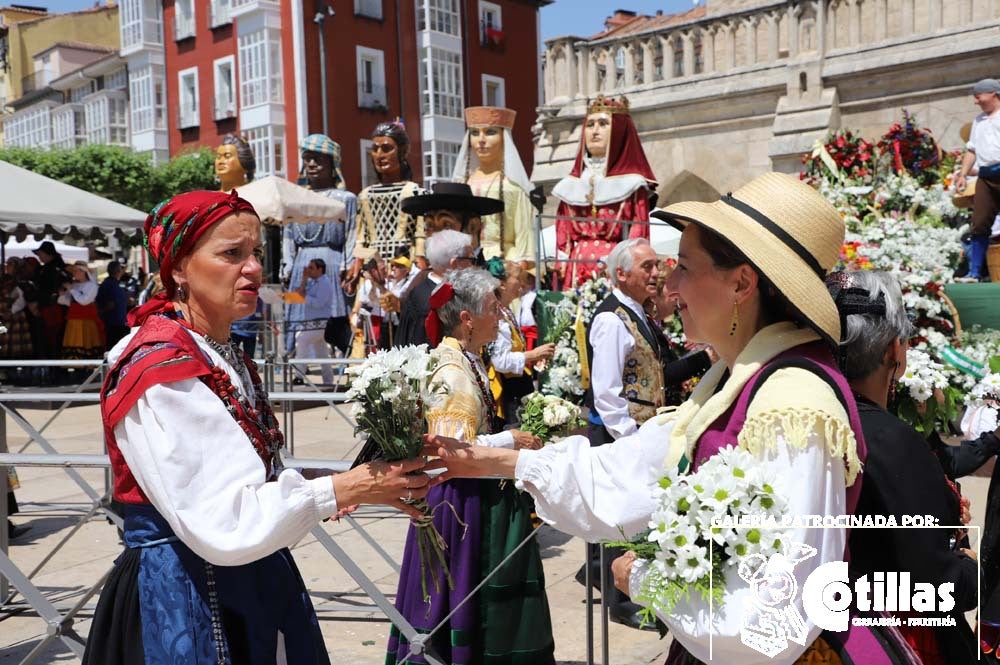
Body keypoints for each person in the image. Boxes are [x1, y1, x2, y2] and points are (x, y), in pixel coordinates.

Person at [423, 172, 921, 664]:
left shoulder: (792, 402)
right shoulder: (738, 377)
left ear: (742, 284)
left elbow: (773, 608)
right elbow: (633, 467)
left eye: (684, 267)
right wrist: (493, 460)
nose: (670, 284)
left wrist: (644, 578)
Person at [82, 189, 430, 665]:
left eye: (255, 254)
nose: (252, 269)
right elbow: (223, 521)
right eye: (231, 254)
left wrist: (360, 483)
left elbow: (244, 478)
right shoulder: (162, 368)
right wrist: (344, 489)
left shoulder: (218, 352)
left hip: (248, 580)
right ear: (179, 268)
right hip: (187, 596)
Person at [386, 267, 554, 665]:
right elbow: (450, 450)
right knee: (455, 596)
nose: (501, 317)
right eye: (494, 309)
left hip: (475, 490)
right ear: (467, 319)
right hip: (457, 504)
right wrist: (510, 440)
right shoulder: (451, 370)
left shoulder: (467, 359)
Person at [827, 270, 983, 664]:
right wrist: (972, 573)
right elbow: (936, 578)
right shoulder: (891, 440)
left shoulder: (813, 419)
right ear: (893, 351)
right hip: (891, 638)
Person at [580, 238, 710, 628]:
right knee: (620, 518)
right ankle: (620, 599)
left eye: (657, 266)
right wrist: (629, 440)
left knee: (632, 517)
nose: (657, 274)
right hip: (620, 434)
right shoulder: (610, 319)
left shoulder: (635, 313)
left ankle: (628, 589)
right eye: (648, 267)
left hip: (636, 430)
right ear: (621, 274)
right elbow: (606, 390)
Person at [553, 95, 657, 289]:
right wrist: (562, 263)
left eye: (603, 124)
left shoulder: (633, 185)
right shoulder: (571, 185)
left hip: (614, 267)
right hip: (576, 269)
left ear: (618, 131)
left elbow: (638, 234)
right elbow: (563, 233)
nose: (595, 131)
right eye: (590, 124)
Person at [393, 185, 505, 348]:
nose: (436, 235)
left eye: (446, 225)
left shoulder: (489, 275)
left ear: (472, 226)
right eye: (430, 226)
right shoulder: (421, 283)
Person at [283, 134, 357, 357]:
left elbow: (351, 232)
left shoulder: (345, 198)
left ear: (332, 163)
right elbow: (287, 234)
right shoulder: (294, 198)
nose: (312, 164)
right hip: (300, 265)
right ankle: (294, 361)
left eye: (318, 159)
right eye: (307, 158)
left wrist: (349, 263)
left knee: (333, 315)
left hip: (333, 262)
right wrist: (287, 265)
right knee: (298, 312)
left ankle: (341, 362)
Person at [452, 106, 536, 263]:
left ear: (504, 138)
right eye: (475, 133)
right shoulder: (462, 183)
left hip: (504, 262)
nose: (481, 140)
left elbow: (525, 239)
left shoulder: (513, 186)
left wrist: (519, 268)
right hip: (465, 261)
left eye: (490, 132)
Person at [483, 258, 554, 423]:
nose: (522, 282)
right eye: (517, 277)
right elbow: (500, 361)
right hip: (508, 394)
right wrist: (533, 354)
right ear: (502, 284)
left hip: (515, 389)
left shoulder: (505, 310)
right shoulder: (497, 316)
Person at [353, 122, 426, 277]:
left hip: (405, 264)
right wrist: (357, 266)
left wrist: (421, 261)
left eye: (387, 149)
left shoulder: (414, 192)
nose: (380, 155)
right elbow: (361, 238)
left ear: (402, 151)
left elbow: (420, 233)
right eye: (375, 149)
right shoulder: (365, 195)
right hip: (372, 269)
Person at [954, 78, 1000, 281]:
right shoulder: (978, 121)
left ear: (993, 94)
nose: (976, 101)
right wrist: (963, 174)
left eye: (978, 95)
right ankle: (974, 272)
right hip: (986, 177)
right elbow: (971, 150)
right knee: (979, 223)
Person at [293, 258, 334, 385]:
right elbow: (299, 293)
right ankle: (328, 381)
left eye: (311, 268)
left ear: (319, 269)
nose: (308, 270)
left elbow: (318, 303)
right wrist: (304, 279)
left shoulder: (325, 283)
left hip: (320, 324)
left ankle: (299, 375)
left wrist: (305, 296)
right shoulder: (313, 282)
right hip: (313, 324)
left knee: (302, 340)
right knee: (322, 353)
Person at [32, 240, 70, 361]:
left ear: (48, 254)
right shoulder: (51, 268)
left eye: (41, 254)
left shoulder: (56, 268)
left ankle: (55, 367)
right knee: (50, 338)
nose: (39, 256)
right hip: (49, 307)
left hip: (53, 308)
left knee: (53, 338)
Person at [62, 261, 105, 359]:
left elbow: (84, 301)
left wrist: (71, 290)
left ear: (84, 272)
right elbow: (69, 302)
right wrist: (62, 295)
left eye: (77, 271)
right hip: (73, 319)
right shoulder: (74, 285)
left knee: (86, 343)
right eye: (74, 271)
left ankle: (87, 368)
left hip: (86, 320)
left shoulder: (92, 286)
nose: (75, 273)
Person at [97, 260, 130, 350]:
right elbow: (109, 304)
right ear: (119, 271)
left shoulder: (112, 284)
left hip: (119, 323)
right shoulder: (109, 285)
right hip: (114, 324)